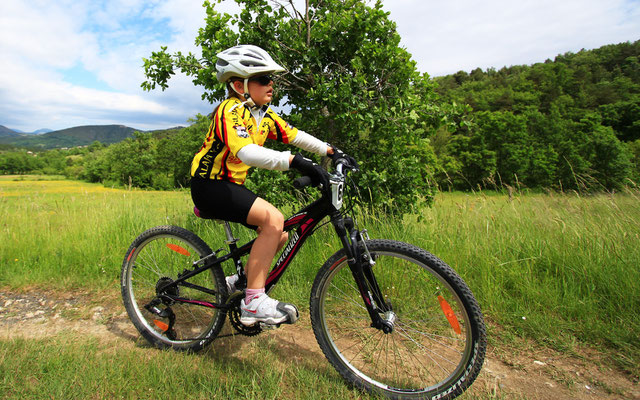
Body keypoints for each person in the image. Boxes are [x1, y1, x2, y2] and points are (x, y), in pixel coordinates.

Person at [190, 44, 334, 326]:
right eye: (263, 79)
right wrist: (294, 161)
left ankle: (239, 283)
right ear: (238, 84)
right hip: (209, 185)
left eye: (272, 79)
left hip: (231, 186)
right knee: (274, 219)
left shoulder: (263, 115)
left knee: (279, 233)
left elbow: (296, 135)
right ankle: (253, 301)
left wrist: (330, 151)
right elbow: (247, 153)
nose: (271, 85)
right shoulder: (229, 111)